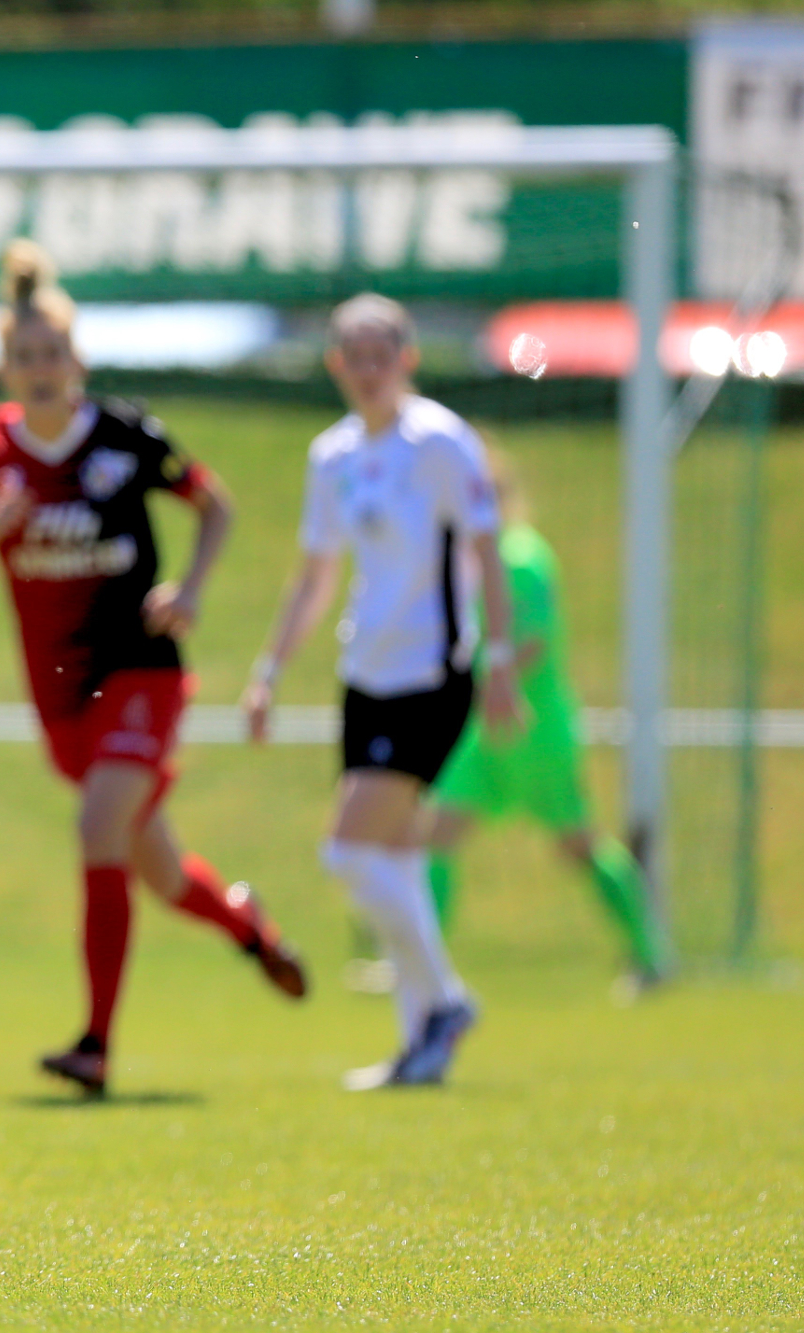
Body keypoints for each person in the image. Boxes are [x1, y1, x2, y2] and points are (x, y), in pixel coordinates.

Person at [0, 241, 307, 1100]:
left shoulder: (124, 434)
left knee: (98, 829)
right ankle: (249, 926)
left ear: (77, 359)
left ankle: (95, 1044)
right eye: (25, 355)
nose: (41, 367)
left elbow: (215, 504)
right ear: (4, 368)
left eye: (53, 352)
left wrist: (190, 588)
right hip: (60, 694)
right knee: (159, 872)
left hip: (141, 671)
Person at [243, 293, 521, 1091]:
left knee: (349, 851)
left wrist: (500, 659)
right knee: (394, 857)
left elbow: (487, 552)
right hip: (365, 673)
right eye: (354, 357)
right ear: (336, 364)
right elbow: (316, 576)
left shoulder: (440, 442)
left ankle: (447, 1000)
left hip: (431, 673)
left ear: (407, 359)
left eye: (382, 355)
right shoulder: (331, 455)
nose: (369, 371)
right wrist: (268, 669)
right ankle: (420, 1043)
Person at [422, 454, 669, 987]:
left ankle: (652, 954)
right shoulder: (466, 562)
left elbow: (534, 640)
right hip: (482, 732)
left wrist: (490, 674)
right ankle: (421, 966)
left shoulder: (523, 558)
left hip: (533, 728)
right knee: (436, 834)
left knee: (578, 844)